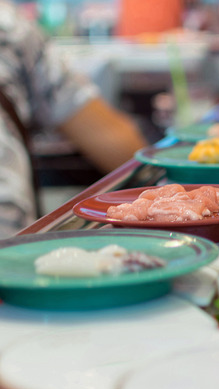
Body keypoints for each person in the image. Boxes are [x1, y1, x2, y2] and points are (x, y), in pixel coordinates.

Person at [0, 1, 147, 237]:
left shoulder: (9, 29)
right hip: (15, 262)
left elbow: (116, 142)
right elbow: (116, 142)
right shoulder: (8, 27)